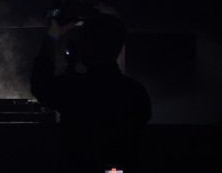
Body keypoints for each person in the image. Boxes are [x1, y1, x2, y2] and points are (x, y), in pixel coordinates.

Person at [30, 10, 152, 172]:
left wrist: (52, 34)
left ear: (87, 46)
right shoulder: (136, 92)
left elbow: (40, 84)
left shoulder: (74, 88)